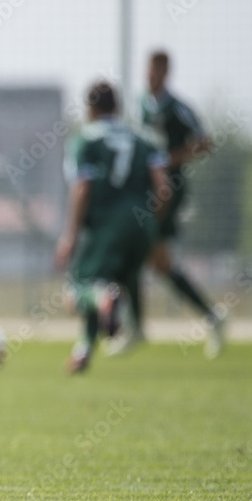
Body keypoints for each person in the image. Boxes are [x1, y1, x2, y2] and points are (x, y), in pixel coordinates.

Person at [110, 50, 224, 358]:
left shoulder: (177, 108)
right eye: (147, 71)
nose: (150, 76)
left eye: (156, 71)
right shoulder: (140, 106)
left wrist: (171, 159)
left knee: (137, 253)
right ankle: (211, 317)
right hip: (145, 191)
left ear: (166, 72)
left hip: (167, 192)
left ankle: (135, 328)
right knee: (159, 264)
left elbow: (205, 141)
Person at [56, 82, 169, 374]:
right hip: (142, 223)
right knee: (110, 285)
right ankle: (84, 351)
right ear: (117, 107)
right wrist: (151, 226)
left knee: (80, 289)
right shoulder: (143, 138)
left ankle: (106, 300)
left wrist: (70, 234)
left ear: (90, 109)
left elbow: (82, 188)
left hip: (106, 225)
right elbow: (164, 188)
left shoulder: (86, 140)